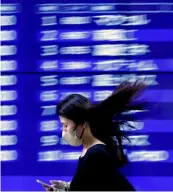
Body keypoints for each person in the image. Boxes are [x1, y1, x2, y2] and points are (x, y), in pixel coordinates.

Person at [43, 81, 146, 191]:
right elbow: (90, 183)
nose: (64, 131)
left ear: (83, 123)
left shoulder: (96, 154)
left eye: (66, 125)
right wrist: (66, 187)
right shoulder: (90, 151)